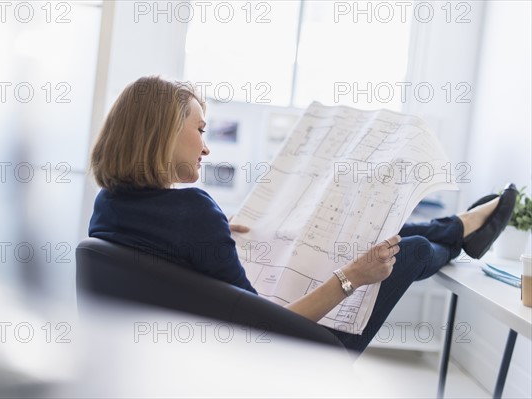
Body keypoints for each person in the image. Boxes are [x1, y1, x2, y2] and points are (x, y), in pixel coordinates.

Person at [88, 76, 517, 353]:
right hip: (286, 353)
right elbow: (266, 328)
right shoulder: (193, 213)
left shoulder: (110, 204)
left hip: (185, 351)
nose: (206, 146)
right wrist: (353, 277)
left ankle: (463, 226)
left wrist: (216, 233)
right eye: (200, 129)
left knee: (382, 234)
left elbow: (172, 255)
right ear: (161, 130)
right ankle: (464, 230)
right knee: (413, 249)